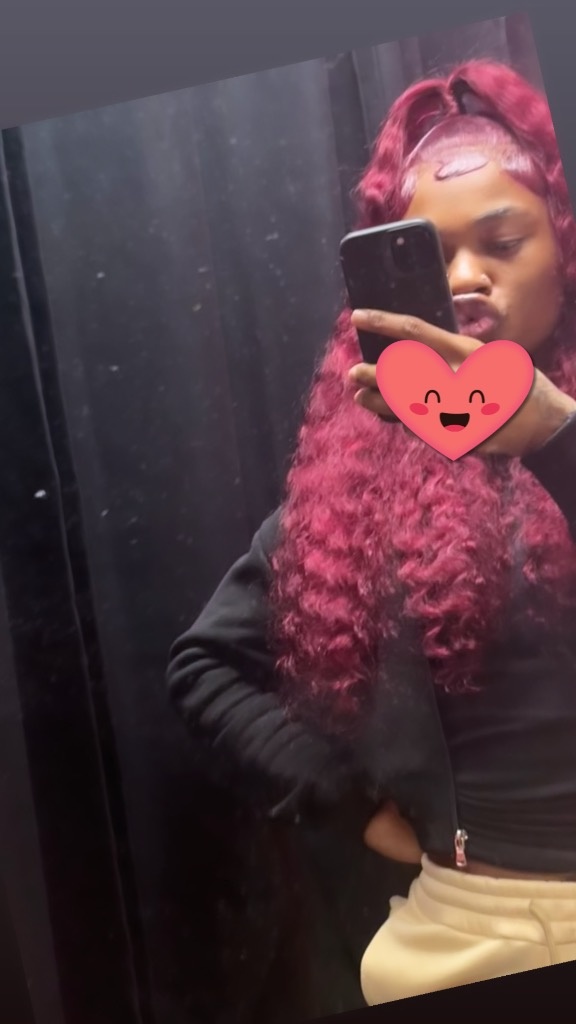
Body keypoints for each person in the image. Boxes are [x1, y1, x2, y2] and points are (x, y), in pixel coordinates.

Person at [166, 58, 576, 1005]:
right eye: (433, 257)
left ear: (561, 246)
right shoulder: (364, 482)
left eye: (502, 242)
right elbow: (204, 666)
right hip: (464, 934)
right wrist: (343, 798)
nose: (466, 279)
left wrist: (554, 436)